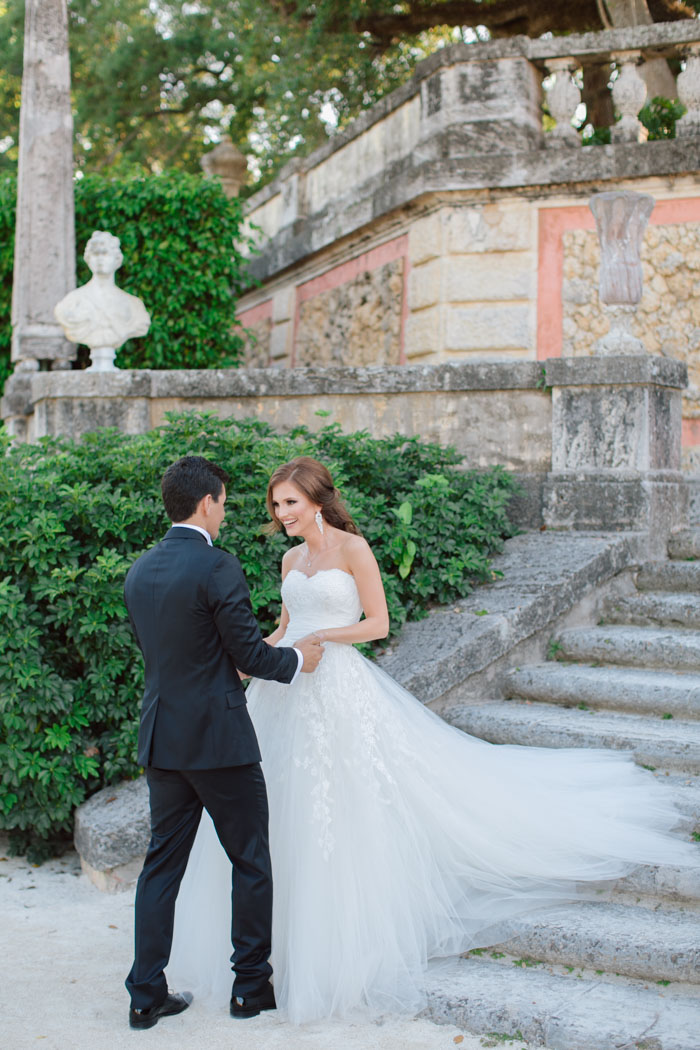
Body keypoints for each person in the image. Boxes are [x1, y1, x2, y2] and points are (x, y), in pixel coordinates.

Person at [167, 456, 698, 1025]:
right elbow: (281, 625)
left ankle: (341, 941)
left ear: (317, 500)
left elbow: (378, 623)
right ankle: (275, 944)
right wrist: (246, 666)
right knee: (279, 810)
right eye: (275, 505)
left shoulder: (352, 549)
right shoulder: (290, 558)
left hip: (337, 685)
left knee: (342, 806)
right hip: (288, 685)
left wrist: (324, 635)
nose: (280, 514)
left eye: (289, 503)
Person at [123, 455, 324, 1030]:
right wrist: (297, 658)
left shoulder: (140, 570)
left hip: (163, 740)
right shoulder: (217, 567)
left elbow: (168, 656)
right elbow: (249, 655)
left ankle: (144, 995)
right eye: (225, 502)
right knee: (251, 860)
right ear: (208, 502)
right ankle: (250, 988)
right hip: (220, 743)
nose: (227, 512)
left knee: (160, 867)